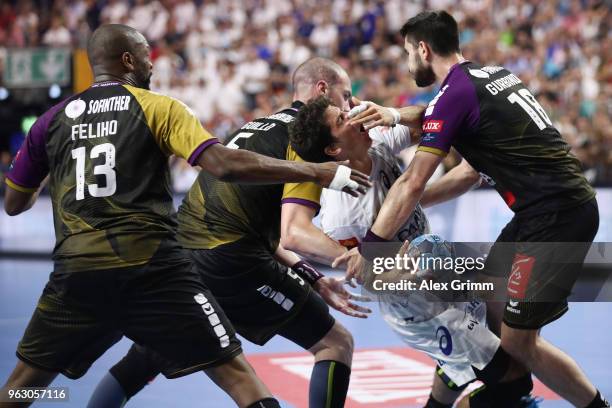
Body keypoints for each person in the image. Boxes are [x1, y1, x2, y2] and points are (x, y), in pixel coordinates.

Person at [0, 25, 369, 408]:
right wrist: (319, 173)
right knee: (247, 375)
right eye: (146, 55)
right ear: (128, 60)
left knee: (25, 387)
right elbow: (228, 170)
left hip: (82, 272)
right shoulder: (158, 106)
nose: (152, 63)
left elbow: (15, 203)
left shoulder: (51, 121)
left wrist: (51, 168)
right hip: (155, 271)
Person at [335, 10, 609, 408]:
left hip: (555, 218)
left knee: (517, 341)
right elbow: (465, 174)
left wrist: (371, 246)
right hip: (541, 214)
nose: (409, 62)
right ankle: (496, 394)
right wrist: (393, 115)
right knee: (490, 308)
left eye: (409, 52)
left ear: (423, 49)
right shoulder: (488, 76)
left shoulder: (455, 94)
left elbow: (413, 181)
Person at [86, 57, 371, 408]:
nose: (352, 106)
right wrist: (367, 262)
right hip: (229, 258)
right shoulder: (307, 139)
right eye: (346, 97)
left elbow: (265, 230)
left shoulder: (258, 125)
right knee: (335, 342)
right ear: (322, 91)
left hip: (183, 255)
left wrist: (312, 277)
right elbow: (295, 233)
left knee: (150, 355)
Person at [290, 96, 538, 408]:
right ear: (334, 150)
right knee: (514, 379)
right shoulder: (343, 214)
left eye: (344, 111)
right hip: (418, 307)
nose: (352, 117)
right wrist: (402, 272)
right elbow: (369, 279)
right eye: (342, 120)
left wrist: (393, 114)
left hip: (440, 275)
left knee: (467, 360)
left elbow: (432, 122)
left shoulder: (373, 139)